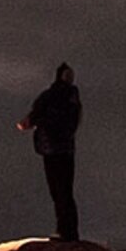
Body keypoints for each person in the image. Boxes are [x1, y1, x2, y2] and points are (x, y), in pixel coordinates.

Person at [17, 62, 82, 241]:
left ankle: (65, 232)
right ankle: (68, 231)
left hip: (53, 149)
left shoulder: (53, 96)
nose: (70, 77)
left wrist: (28, 123)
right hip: (64, 148)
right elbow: (72, 119)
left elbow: (35, 115)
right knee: (64, 190)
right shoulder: (70, 96)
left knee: (59, 190)